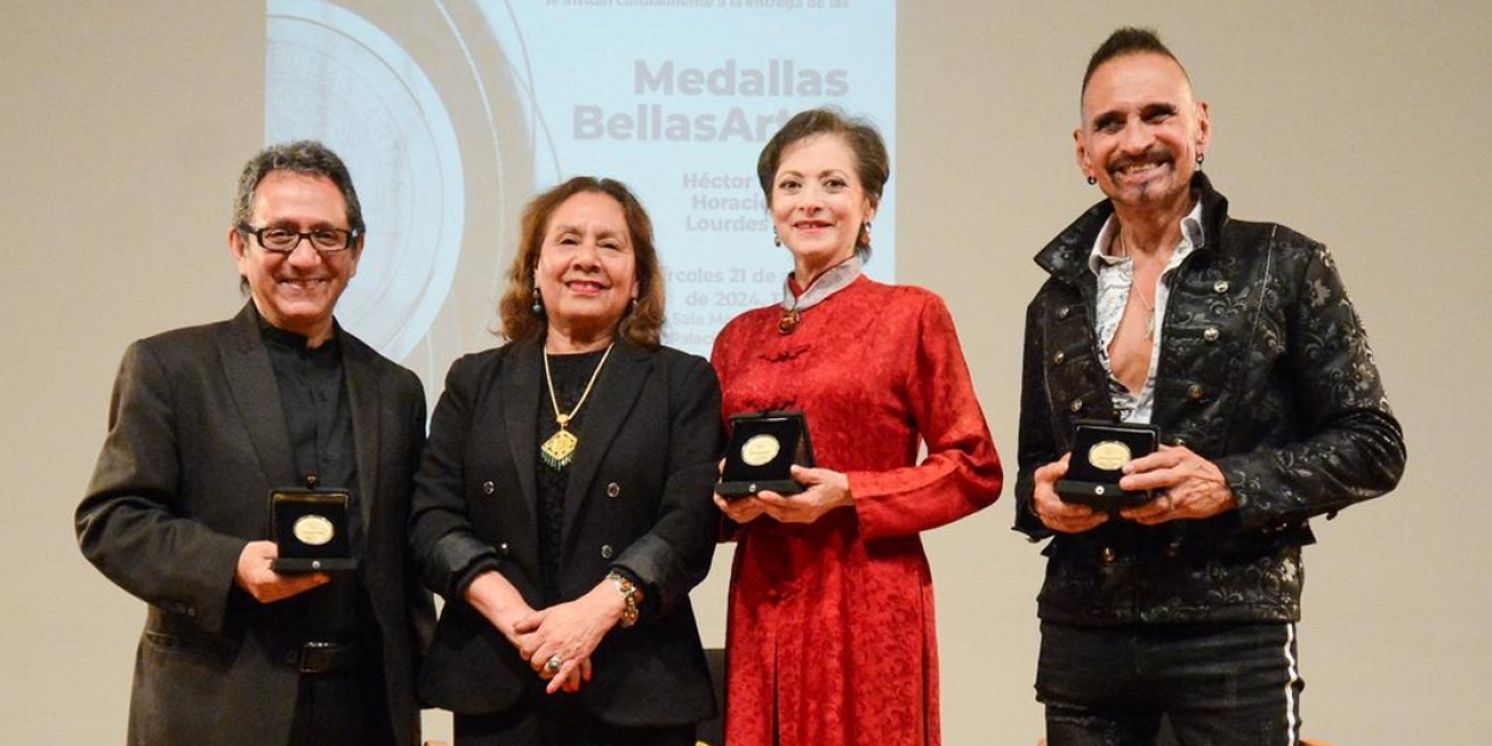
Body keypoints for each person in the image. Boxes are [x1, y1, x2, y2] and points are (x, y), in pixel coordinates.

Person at [1016, 27, 1407, 746]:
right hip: (1083, 636)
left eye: (1157, 114)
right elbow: (1034, 468)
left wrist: (1228, 483)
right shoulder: (1056, 298)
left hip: (1230, 635)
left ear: (1201, 128)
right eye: (1110, 123)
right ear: (1083, 153)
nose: (1135, 140)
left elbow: (1373, 445)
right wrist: (1041, 498)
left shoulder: (1285, 265)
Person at [75, 141, 433, 745]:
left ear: (356, 252)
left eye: (326, 235)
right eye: (280, 235)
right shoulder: (170, 367)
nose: (303, 257)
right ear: (240, 247)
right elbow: (111, 520)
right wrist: (230, 565)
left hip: (365, 710)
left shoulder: (396, 389)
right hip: (217, 706)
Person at [710, 108, 1003, 746]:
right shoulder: (736, 338)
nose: (810, 202)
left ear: (869, 204)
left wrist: (851, 491)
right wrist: (724, 497)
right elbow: (713, 479)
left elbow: (975, 467)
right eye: (791, 185)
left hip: (867, 594)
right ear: (770, 208)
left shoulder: (911, 314)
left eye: (833, 184)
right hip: (763, 595)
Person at [409, 176, 722, 745]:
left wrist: (593, 615)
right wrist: (526, 627)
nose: (587, 259)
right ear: (533, 268)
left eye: (610, 244)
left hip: (636, 685)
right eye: (568, 240)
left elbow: (691, 521)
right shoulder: (475, 379)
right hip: (499, 676)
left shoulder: (683, 381)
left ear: (638, 280)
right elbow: (432, 518)